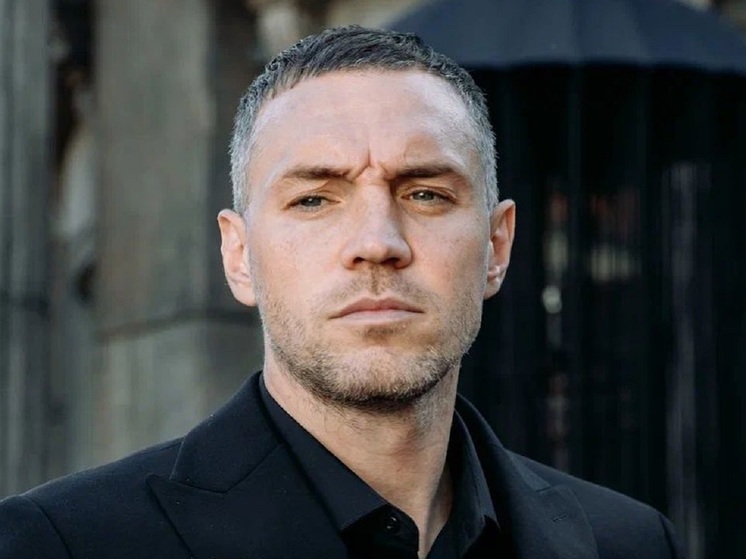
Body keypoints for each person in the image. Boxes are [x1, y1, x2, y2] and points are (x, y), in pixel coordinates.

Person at [0, 25, 684, 559]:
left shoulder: (629, 543)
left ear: (497, 247)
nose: (378, 242)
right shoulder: (63, 543)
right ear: (239, 256)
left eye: (425, 193)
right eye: (315, 199)